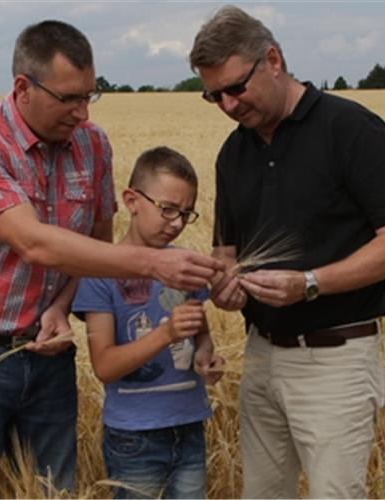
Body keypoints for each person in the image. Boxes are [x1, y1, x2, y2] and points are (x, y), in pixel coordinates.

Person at [0, 20, 223, 498]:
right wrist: (153, 263)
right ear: (23, 87)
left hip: (52, 354)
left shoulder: (92, 143)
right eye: (69, 98)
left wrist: (62, 306)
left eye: (90, 96)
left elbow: (96, 245)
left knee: (53, 490)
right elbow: (33, 243)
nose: (82, 113)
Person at [190, 5, 385, 499]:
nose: (229, 106)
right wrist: (224, 287)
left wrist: (309, 283)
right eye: (214, 96)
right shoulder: (233, 154)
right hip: (260, 356)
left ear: (272, 59)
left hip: (335, 360)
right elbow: (226, 251)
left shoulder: (352, 129)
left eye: (236, 88)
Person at [72, 146, 225, 499]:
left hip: (189, 426)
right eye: (168, 209)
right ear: (131, 200)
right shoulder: (100, 273)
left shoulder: (187, 268)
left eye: (186, 214)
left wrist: (206, 358)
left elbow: (202, 338)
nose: (176, 223)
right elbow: (105, 365)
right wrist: (165, 333)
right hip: (133, 437)